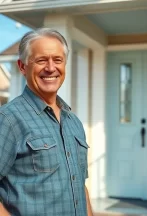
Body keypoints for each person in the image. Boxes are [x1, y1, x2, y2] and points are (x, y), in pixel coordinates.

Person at [0, 28, 94, 216]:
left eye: (57, 60)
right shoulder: (8, 119)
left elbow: (79, 185)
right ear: (22, 66)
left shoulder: (73, 122)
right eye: (41, 60)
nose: (51, 68)